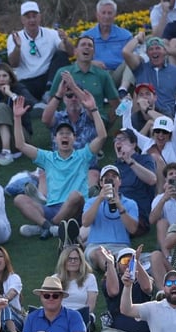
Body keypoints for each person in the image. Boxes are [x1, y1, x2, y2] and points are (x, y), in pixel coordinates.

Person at [13, 93, 107, 239]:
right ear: (55, 139)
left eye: (68, 133)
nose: (64, 136)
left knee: (76, 196)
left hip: (76, 208)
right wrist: (17, 118)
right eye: (61, 133)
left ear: (74, 138)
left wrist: (94, 109)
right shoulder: (47, 157)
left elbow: (102, 136)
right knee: (19, 199)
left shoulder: (83, 155)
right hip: (51, 208)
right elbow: (20, 145)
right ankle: (48, 226)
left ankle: (46, 226)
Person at [8, 0, 74, 99]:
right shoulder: (14, 37)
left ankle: (50, 91)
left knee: (61, 55)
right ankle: (38, 105)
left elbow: (70, 53)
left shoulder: (51, 33)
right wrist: (18, 47)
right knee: (21, 93)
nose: (32, 20)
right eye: (28, 17)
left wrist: (66, 40)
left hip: (47, 78)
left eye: (34, 16)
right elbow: (13, 64)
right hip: (27, 81)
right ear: (22, 20)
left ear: (40, 17)